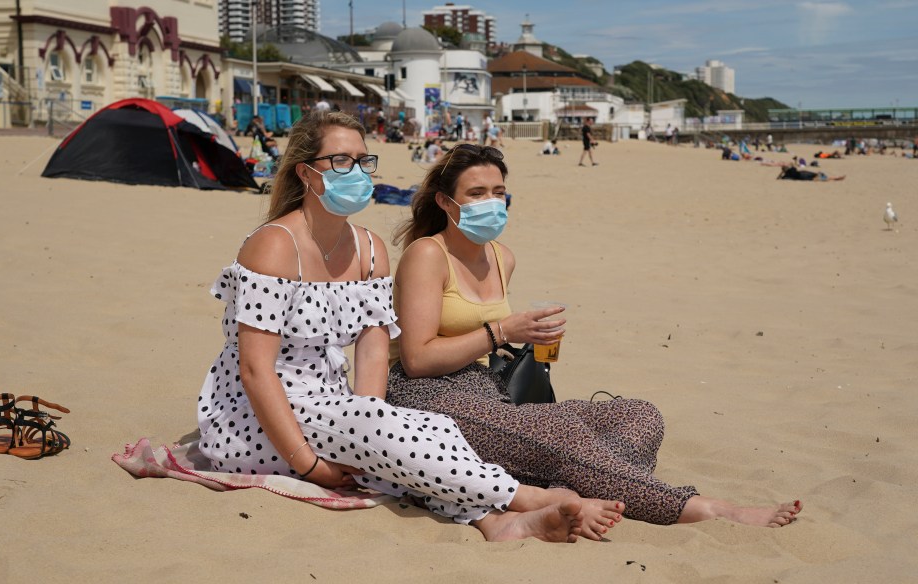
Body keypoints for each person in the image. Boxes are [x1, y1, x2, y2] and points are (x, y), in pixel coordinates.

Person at [195, 111, 621, 543]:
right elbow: (255, 370)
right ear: (306, 173)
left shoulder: (369, 247)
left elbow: (373, 355)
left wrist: (365, 424)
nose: (357, 172)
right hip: (259, 417)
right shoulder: (274, 244)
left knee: (419, 433)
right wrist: (310, 464)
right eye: (341, 161)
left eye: (364, 161)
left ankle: (495, 521)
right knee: (392, 437)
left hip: (330, 403)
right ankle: (527, 499)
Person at [385, 143, 804, 528]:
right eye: (476, 193)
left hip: (489, 389)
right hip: (428, 395)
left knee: (640, 415)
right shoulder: (427, 254)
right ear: (445, 201)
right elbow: (417, 359)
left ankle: (563, 490)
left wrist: (529, 339)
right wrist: (500, 332)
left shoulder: (501, 257)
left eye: (498, 191)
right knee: (565, 437)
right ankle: (707, 508)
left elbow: (491, 342)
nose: (491, 202)